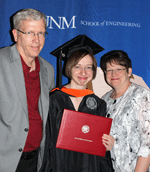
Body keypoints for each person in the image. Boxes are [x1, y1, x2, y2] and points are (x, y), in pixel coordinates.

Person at [43, 45, 115, 172]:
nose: (83, 72)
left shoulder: (99, 104)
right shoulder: (54, 100)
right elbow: (46, 141)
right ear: (69, 68)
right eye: (78, 66)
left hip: (89, 166)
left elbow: (100, 151)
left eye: (88, 67)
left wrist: (106, 145)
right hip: (59, 165)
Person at [0, 8, 55, 172]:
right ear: (15, 35)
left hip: (36, 159)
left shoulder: (48, 69)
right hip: (4, 160)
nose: (37, 40)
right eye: (30, 32)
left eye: (41, 33)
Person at [100, 50, 150, 172]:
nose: (114, 74)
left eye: (119, 69)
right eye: (109, 70)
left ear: (129, 71)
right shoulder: (104, 100)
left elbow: (147, 144)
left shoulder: (142, 96)